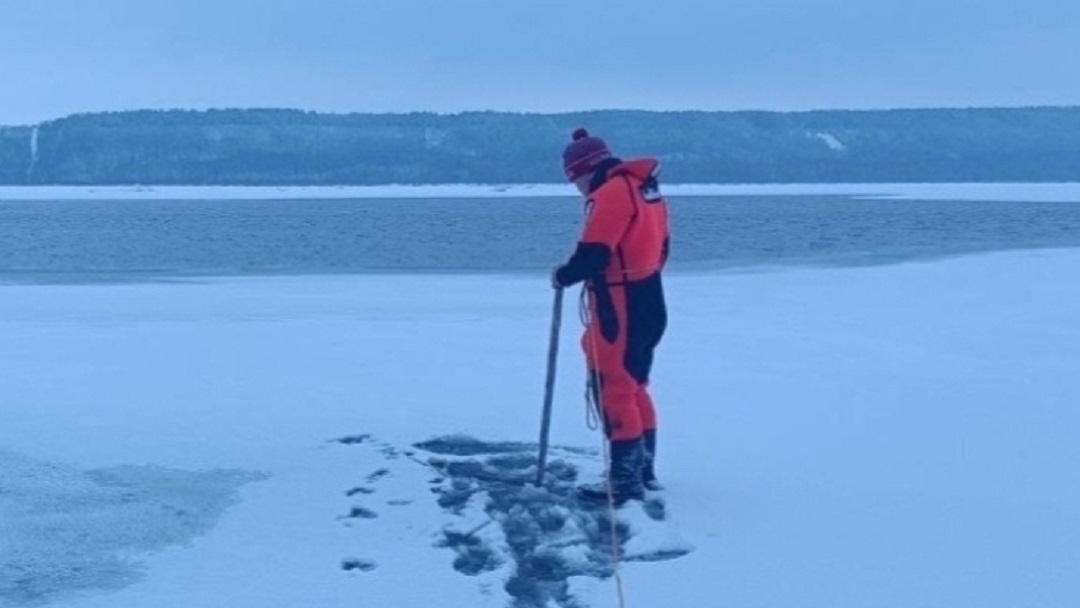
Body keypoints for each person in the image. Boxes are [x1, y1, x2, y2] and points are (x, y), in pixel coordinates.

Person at [552, 127, 670, 502]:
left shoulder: (612, 193)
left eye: (575, 181)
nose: (578, 190)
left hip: (621, 302)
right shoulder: (645, 189)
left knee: (614, 386)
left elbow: (595, 253)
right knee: (635, 384)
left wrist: (563, 275)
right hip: (649, 295)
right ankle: (643, 469)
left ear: (584, 171)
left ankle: (623, 481)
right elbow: (663, 246)